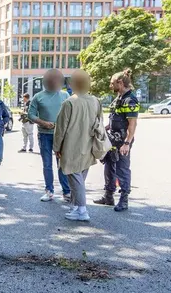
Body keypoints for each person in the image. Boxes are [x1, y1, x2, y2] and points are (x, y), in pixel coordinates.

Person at [52, 70, 103, 222]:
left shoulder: (69, 102)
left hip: (71, 146)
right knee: (79, 178)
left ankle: (81, 209)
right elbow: (100, 122)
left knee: (75, 179)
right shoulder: (95, 101)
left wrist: (57, 147)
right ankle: (76, 207)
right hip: (89, 145)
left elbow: (60, 129)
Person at [94, 69, 139, 212]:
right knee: (109, 167)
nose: (110, 86)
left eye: (112, 83)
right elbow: (114, 119)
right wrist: (103, 128)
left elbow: (132, 124)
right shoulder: (118, 98)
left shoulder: (130, 100)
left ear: (120, 82)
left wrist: (127, 143)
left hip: (122, 141)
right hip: (112, 139)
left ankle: (124, 200)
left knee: (122, 169)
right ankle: (108, 196)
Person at [28, 69, 71, 202]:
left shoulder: (65, 96)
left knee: (62, 164)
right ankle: (49, 191)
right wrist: (43, 123)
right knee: (47, 164)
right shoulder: (38, 97)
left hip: (62, 135)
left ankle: (66, 191)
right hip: (44, 134)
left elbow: (71, 113)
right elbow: (31, 115)